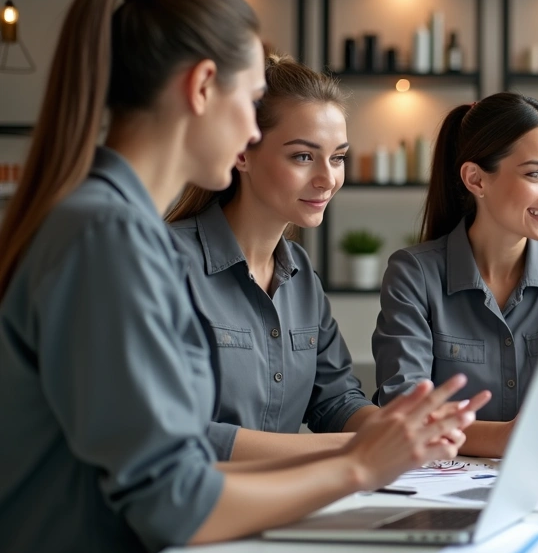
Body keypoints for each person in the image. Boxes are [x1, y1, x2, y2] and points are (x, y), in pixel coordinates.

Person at [0, 0, 484, 553]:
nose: (252, 133)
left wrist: (374, 450)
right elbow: (177, 501)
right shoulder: (110, 237)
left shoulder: (112, 226)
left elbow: (180, 472)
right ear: (203, 87)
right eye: (252, 100)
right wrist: (358, 465)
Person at [167, 55, 474, 461]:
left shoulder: (299, 273)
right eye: (302, 156)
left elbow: (335, 398)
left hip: (285, 503)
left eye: (338, 157)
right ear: (241, 153)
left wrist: (405, 428)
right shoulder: (167, 262)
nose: (328, 179)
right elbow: (180, 434)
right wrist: (358, 446)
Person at [372, 92, 538, 458]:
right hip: (439, 487)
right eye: (536, 173)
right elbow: (405, 410)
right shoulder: (414, 274)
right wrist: (508, 438)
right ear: (476, 179)